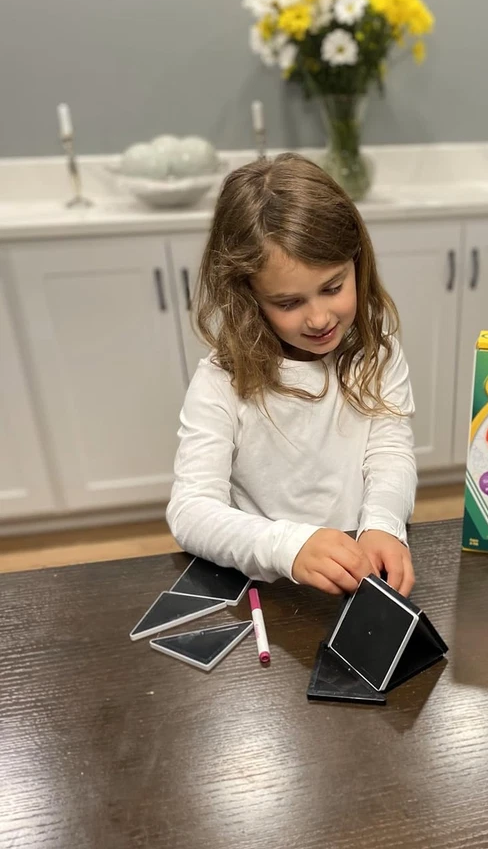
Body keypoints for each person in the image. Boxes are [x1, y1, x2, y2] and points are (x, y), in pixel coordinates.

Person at [166, 153, 417, 596]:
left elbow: (390, 454)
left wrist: (383, 524)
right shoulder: (221, 382)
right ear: (247, 296)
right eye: (288, 303)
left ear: (357, 263)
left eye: (333, 287)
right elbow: (190, 511)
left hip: (359, 573)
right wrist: (289, 546)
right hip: (268, 586)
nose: (319, 318)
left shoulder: (378, 355)